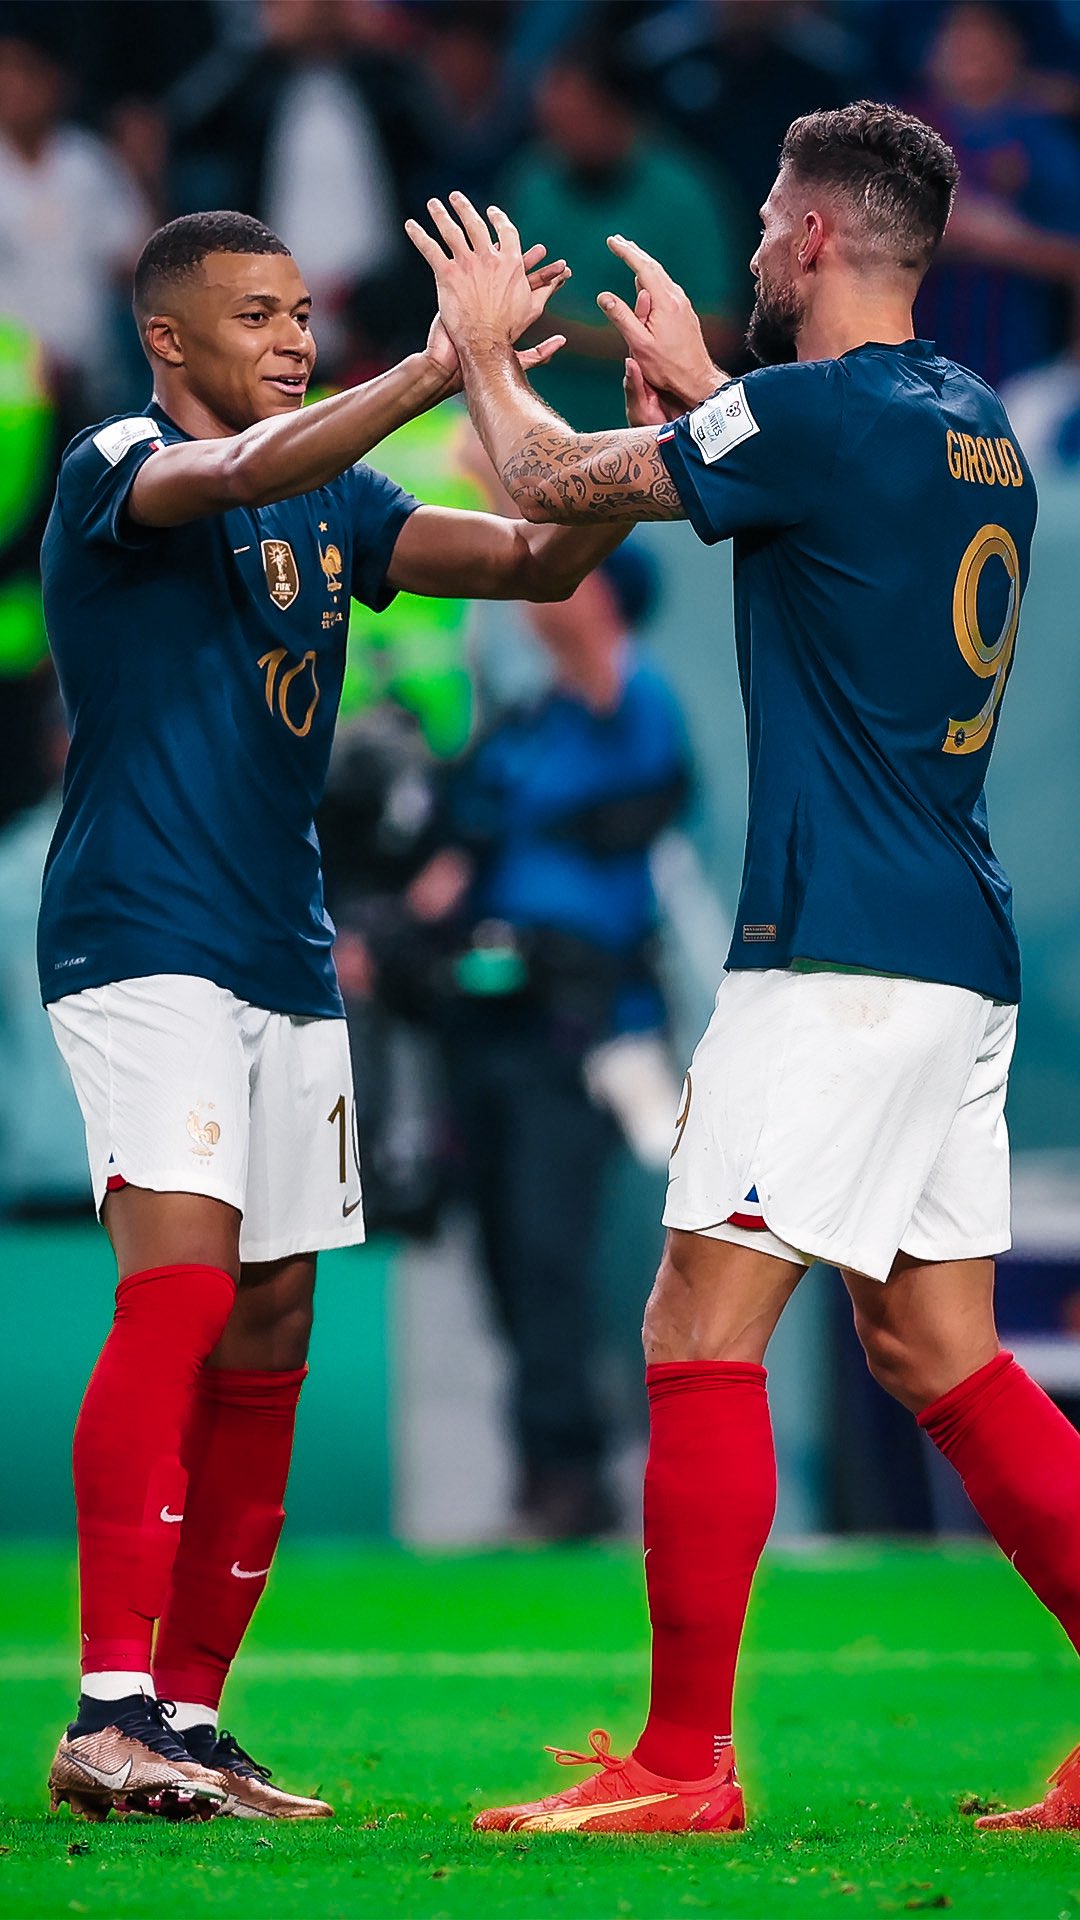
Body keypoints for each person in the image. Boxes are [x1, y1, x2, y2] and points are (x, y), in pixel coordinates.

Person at [406, 103, 1080, 1836]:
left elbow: (552, 483)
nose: (758, 235)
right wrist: (713, 396)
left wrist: (482, 352)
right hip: (958, 948)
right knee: (941, 1348)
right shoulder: (974, 423)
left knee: (697, 1329)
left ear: (827, 239)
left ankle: (682, 1764)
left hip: (839, 954)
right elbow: (781, 477)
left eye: (774, 213)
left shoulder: (810, 417)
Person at [39, 206, 626, 1823]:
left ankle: (192, 1718)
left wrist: (658, 440)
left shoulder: (341, 498)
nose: (292, 335)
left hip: (286, 948)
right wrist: (439, 362)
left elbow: (534, 557)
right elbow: (228, 477)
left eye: (303, 311)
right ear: (170, 338)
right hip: (143, 932)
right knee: (179, 1289)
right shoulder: (117, 462)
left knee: (277, 1318)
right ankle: (103, 1705)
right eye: (257, 313)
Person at [415, 547, 691, 1540]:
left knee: (547, 1250)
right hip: (486, 1017)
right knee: (497, 1253)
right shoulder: (528, 728)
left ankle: (569, 1476)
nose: (555, 592)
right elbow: (451, 870)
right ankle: (546, 1469)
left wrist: (503, 476)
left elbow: (579, 623)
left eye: (581, 574)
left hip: (573, 1029)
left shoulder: (628, 702)